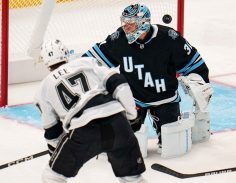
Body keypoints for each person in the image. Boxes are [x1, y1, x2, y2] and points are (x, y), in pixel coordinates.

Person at [34, 39, 161, 183]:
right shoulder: (87, 62)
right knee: (134, 182)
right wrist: (130, 117)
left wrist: (57, 152)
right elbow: (119, 84)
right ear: (66, 53)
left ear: (45, 62)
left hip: (84, 131)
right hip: (118, 124)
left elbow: (53, 133)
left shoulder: (42, 89)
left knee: (52, 179)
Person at [83, 4, 213, 158]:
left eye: (130, 24)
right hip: (133, 100)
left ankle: (199, 124)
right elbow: (92, 61)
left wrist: (198, 83)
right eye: (124, 23)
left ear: (143, 24)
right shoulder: (119, 39)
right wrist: (72, 72)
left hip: (165, 99)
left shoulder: (169, 38)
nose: (126, 28)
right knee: (126, 147)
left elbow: (195, 65)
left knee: (173, 147)